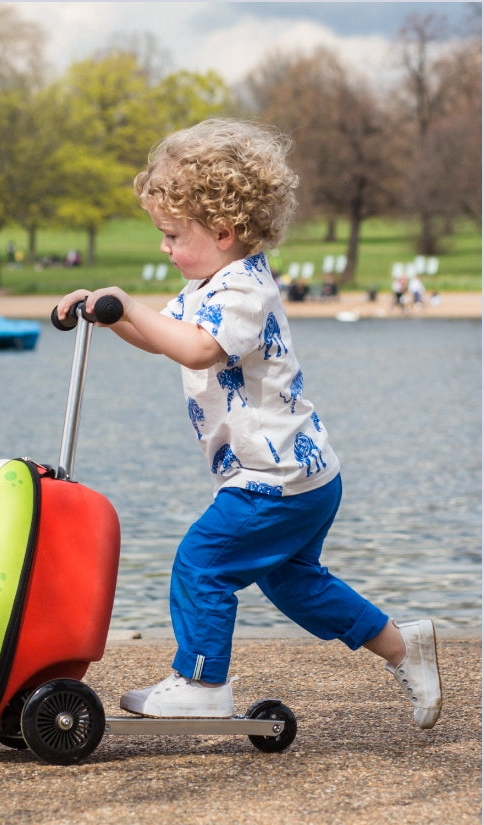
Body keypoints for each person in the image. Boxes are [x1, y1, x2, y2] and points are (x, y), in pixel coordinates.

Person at [56, 118, 442, 729]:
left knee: (201, 562)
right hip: (299, 476)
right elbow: (166, 338)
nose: (164, 248)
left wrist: (129, 306)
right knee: (296, 587)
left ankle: (203, 681)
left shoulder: (244, 292)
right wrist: (108, 313)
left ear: (224, 231)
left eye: (172, 236)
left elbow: (199, 349)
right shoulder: (212, 279)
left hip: (276, 478)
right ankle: (403, 645)